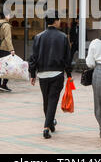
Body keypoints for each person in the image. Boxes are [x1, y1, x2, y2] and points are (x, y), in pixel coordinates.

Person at [29, 10, 72, 139]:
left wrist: (32, 74)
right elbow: (67, 59)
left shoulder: (38, 37)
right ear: (56, 21)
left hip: (42, 74)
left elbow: (33, 57)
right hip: (57, 73)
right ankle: (46, 127)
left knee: (46, 100)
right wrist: (69, 74)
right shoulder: (63, 37)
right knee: (53, 100)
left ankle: (51, 123)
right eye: (59, 20)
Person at [0, 10, 15, 93]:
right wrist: (11, 49)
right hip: (4, 49)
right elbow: (7, 38)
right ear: (6, 16)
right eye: (9, 15)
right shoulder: (6, 25)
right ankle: (4, 85)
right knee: (8, 67)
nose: (10, 16)